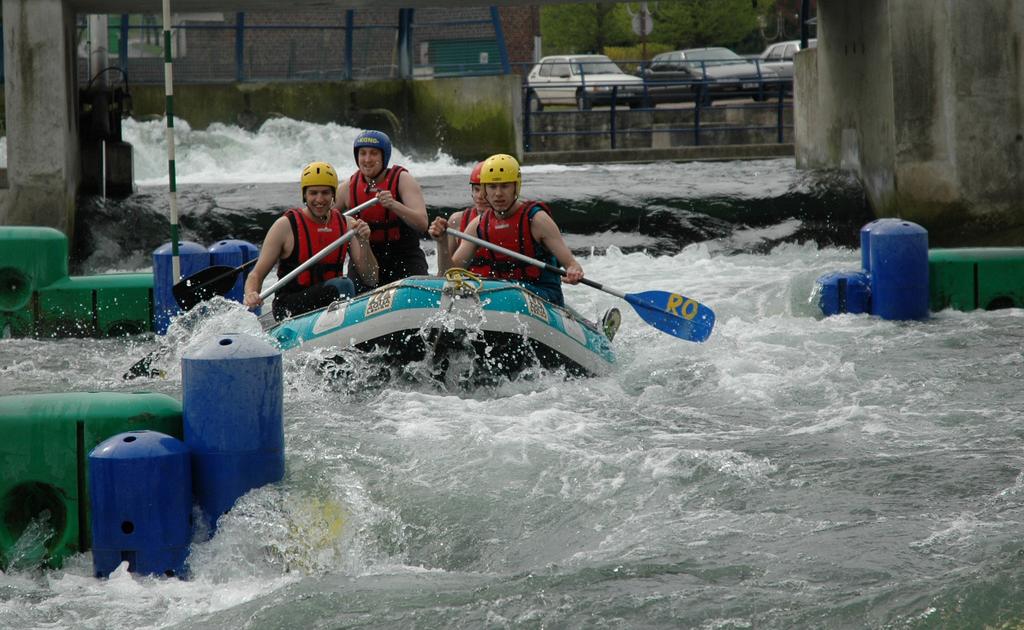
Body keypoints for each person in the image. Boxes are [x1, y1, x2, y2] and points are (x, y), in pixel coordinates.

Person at [428, 153, 583, 307]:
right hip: (501, 293)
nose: (498, 194)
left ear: (516, 187)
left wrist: (573, 271)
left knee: (509, 294)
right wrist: (441, 242)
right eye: (492, 186)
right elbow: (448, 275)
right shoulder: (477, 226)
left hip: (542, 295)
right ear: (484, 190)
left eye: (504, 186)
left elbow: (571, 264)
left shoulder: (537, 220)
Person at [244, 161, 378, 321]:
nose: (319, 199)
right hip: (289, 307)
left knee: (358, 287)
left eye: (325, 193)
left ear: (333, 194)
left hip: (329, 303)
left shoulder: (348, 225)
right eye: (313, 193)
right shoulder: (285, 226)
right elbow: (256, 275)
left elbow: (371, 278)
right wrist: (251, 293)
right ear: (304, 195)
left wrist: (364, 242)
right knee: (344, 286)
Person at [336, 130, 429, 291]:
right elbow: (323, 221)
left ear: (383, 157)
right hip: (366, 258)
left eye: (373, 154)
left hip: (403, 256)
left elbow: (422, 223)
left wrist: (394, 205)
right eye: (362, 153)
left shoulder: (402, 180)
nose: (367, 159)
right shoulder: (346, 188)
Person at [435, 161, 488, 269]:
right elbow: (445, 272)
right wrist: (442, 242)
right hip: (469, 283)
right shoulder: (457, 220)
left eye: (485, 190)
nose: (480, 196)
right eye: (477, 190)